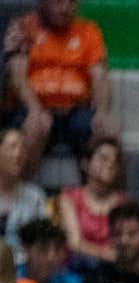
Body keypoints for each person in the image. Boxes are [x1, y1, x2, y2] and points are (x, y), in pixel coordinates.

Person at [3, 0, 116, 176]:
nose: (64, 8)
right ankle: (20, 191)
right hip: (34, 107)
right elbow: (17, 74)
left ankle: (93, 197)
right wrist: (34, 110)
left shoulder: (89, 31)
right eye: (58, 2)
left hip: (76, 111)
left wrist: (102, 111)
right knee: (38, 124)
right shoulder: (25, 27)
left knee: (107, 129)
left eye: (71, 2)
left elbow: (100, 75)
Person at [55, 135, 127, 270]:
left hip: (112, 272)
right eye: (103, 158)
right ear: (86, 164)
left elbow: (125, 244)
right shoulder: (69, 198)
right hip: (76, 270)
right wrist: (106, 254)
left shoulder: (123, 203)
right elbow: (74, 244)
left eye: (115, 161)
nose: (110, 164)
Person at [0, 129, 49, 261]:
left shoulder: (36, 196)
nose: (19, 154)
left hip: (25, 269)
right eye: (12, 147)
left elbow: (44, 240)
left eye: (23, 148)